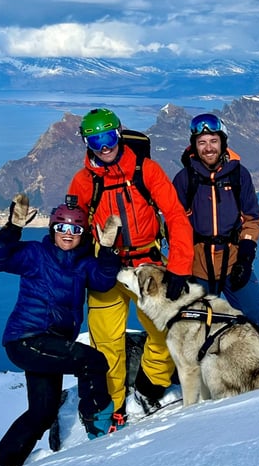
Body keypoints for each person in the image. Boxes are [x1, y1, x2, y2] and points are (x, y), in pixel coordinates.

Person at [0, 194, 123, 466]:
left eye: (75, 229)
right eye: (62, 228)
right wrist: (13, 228)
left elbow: (104, 281)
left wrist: (107, 249)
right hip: (27, 338)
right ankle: (99, 425)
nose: (68, 235)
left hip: (49, 344)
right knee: (91, 360)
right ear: (52, 230)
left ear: (83, 233)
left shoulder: (85, 264)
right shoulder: (35, 254)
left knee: (43, 413)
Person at [66, 108, 195, 417]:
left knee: (167, 333)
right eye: (95, 140)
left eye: (108, 137)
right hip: (106, 270)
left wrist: (178, 268)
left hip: (148, 266)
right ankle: (115, 406)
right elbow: (73, 230)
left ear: (119, 134)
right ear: (87, 144)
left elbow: (176, 216)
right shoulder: (84, 181)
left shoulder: (146, 170)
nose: (104, 146)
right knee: (106, 345)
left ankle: (150, 386)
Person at [172, 113, 259, 335]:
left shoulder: (238, 175)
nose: (208, 148)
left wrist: (246, 256)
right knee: (194, 328)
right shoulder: (185, 179)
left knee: (254, 313)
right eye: (202, 143)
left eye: (213, 141)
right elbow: (176, 225)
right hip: (198, 267)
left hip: (233, 261)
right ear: (194, 146)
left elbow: (252, 218)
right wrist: (180, 266)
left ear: (223, 142)